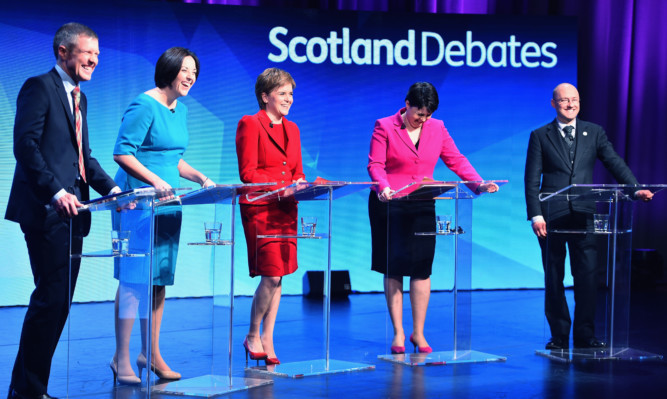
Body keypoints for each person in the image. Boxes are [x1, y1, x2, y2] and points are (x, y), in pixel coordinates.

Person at [5, 23, 120, 399]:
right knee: (50, 299)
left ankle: (26, 388)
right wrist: (54, 191)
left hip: (76, 212)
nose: (94, 61)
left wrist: (115, 189)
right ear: (63, 51)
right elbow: (25, 146)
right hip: (45, 209)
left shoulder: (79, 98)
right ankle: (28, 390)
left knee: (58, 304)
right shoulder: (39, 87)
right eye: (88, 53)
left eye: (98, 55)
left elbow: (83, 158)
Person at [367, 82, 498, 354]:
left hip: (423, 202)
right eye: (418, 113)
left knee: (421, 267)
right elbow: (375, 164)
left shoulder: (437, 127)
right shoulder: (384, 125)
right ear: (407, 104)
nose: (422, 119)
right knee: (394, 267)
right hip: (389, 202)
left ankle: (419, 332)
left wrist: (479, 184)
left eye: (427, 114)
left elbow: (456, 159)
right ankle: (399, 334)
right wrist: (383, 186)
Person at [111, 47, 214, 384]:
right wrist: (155, 181)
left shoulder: (179, 110)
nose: (190, 77)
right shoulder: (144, 104)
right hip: (138, 202)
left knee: (157, 282)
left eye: (195, 72)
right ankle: (121, 357)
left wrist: (199, 177)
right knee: (134, 280)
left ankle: (151, 353)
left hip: (169, 203)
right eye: (185, 70)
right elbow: (122, 152)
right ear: (169, 69)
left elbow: (173, 158)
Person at [524, 82, 653, 350]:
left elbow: (614, 162)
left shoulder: (594, 132)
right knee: (554, 277)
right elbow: (531, 180)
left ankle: (585, 335)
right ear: (553, 104)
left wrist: (635, 189)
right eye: (564, 100)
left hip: (585, 215)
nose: (570, 104)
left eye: (575, 100)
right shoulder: (540, 135)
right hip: (552, 217)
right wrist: (535, 215)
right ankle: (559, 335)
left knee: (587, 277)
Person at [236, 68, 305, 365]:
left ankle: (268, 338)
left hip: (287, 208)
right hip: (261, 206)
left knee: (280, 277)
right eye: (282, 93)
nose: (288, 99)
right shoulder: (250, 124)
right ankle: (253, 334)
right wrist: (284, 187)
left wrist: (300, 183)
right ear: (265, 97)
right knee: (272, 273)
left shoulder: (293, 129)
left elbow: (296, 170)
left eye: (290, 94)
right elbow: (248, 173)